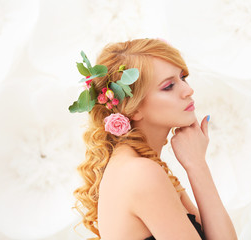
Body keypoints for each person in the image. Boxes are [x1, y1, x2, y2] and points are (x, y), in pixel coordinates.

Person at [72, 38, 237, 240]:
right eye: (168, 86)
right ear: (132, 108)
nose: (188, 90)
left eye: (183, 78)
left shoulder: (145, 165)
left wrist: (197, 165)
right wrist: (197, 166)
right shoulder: (140, 172)